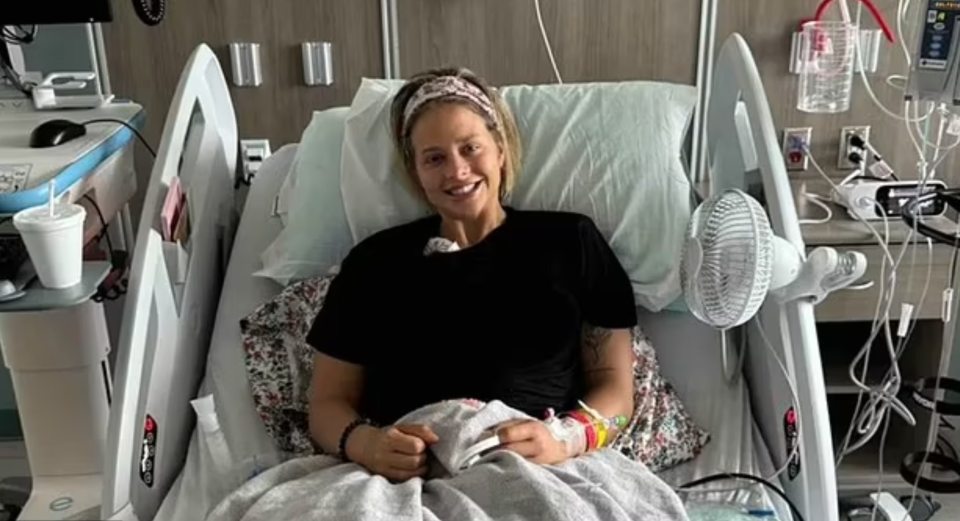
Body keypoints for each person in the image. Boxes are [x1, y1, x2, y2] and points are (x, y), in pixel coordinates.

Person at [306, 67, 637, 482]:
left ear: (499, 149)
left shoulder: (570, 242)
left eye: (470, 148)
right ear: (416, 172)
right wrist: (367, 444)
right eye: (435, 158)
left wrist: (564, 438)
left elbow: (618, 392)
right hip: (402, 483)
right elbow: (326, 403)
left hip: (543, 472)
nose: (456, 171)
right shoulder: (374, 263)